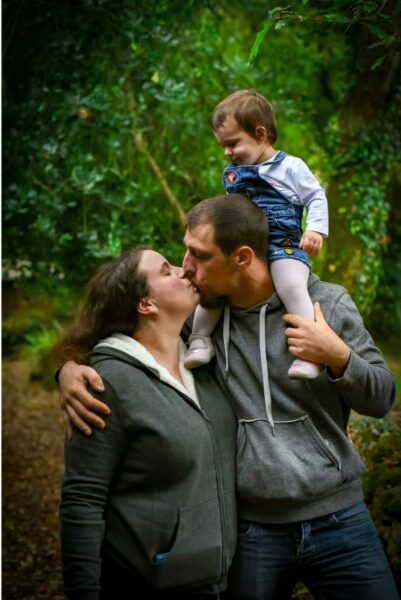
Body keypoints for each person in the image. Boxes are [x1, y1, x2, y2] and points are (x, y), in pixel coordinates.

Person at [58, 195, 399, 600]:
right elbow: (127, 332)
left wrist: (338, 356)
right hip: (254, 532)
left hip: (340, 518)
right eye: (185, 252)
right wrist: (69, 368)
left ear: (242, 257)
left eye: (199, 255)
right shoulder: (200, 325)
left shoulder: (326, 304)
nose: (186, 266)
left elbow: (381, 398)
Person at [55, 245, 237, 600]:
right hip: (147, 584)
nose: (184, 270)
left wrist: (65, 367)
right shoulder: (105, 384)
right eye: (167, 270)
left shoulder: (201, 357)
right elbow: (82, 499)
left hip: (219, 581)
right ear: (145, 304)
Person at [184, 90, 328, 380]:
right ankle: (199, 339)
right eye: (223, 146)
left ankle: (308, 352)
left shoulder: (290, 167)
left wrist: (315, 229)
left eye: (233, 143)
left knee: (291, 286)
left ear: (260, 135)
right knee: (215, 284)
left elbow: (315, 196)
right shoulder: (234, 173)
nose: (227, 152)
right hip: (243, 246)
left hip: (282, 245)